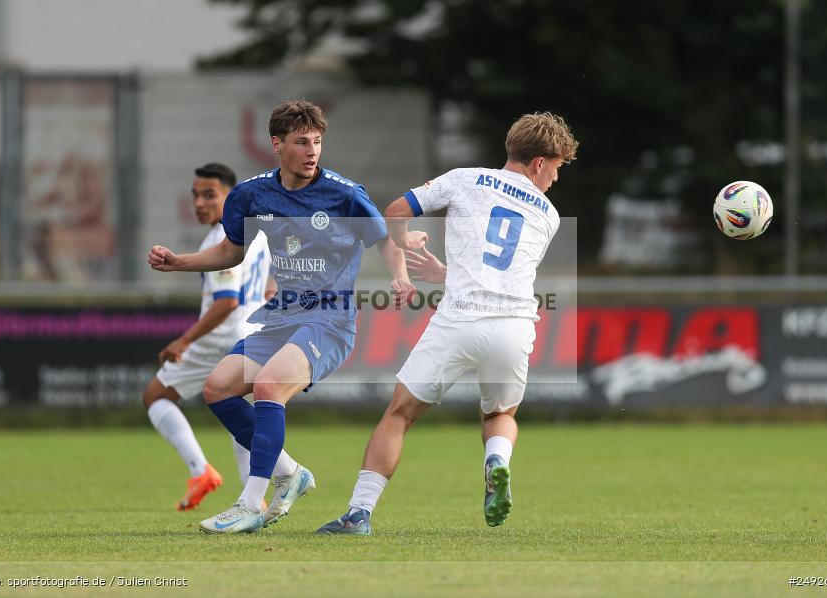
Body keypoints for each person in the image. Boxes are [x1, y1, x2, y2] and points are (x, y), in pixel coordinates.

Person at [148, 100, 414, 533]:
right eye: (301, 142)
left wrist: (400, 277)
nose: (312, 151)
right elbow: (231, 251)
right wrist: (180, 261)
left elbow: (385, 242)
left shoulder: (345, 194)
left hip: (328, 321)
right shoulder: (253, 194)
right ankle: (291, 473)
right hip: (282, 318)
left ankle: (251, 502)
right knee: (218, 389)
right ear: (277, 144)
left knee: (270, 386)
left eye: (318, 142)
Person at [317, 111, 578, 535]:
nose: (554, 178)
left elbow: (395, 211)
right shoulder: (548, 215)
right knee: (499, 415)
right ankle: (496, 461)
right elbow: (501, 265)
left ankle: (358, 514)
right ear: (537, 163)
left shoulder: (464, 178)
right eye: (556, 167)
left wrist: (405, 239)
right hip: (514, 324)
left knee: (399, 415)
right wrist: (450, 272)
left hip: (459, 318)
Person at [144, 163, 274, 512]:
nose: (199, 203)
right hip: (253, 332)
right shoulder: (256, 233)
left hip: (223, 335)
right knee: (240, 411)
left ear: (231, 197)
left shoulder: (222, 237)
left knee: (156, 395)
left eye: (209, 195)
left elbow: (225, 302)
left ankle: (201, 471)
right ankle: (255, 498)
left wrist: (183, 341)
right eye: (195, 195)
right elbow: (269, 287)